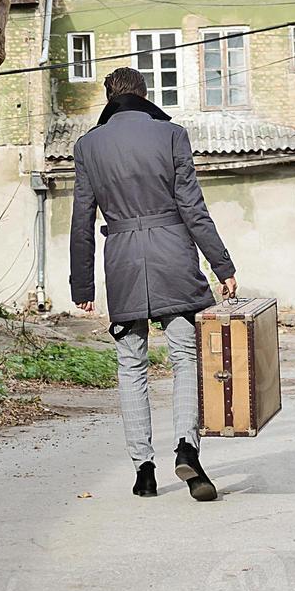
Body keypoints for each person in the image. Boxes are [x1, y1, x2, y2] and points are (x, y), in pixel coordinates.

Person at [69, 66, 237, 501]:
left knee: (131, 366)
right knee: (184, 356)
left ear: (109, 98)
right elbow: (192, 208)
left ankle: (143, 471)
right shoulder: (171, 134)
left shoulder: (87, 146)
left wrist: (82, 286)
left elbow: (82, 219)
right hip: (172, 258)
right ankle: (186, 446)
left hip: (122, 260)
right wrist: (222, 265)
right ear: (143, 95)